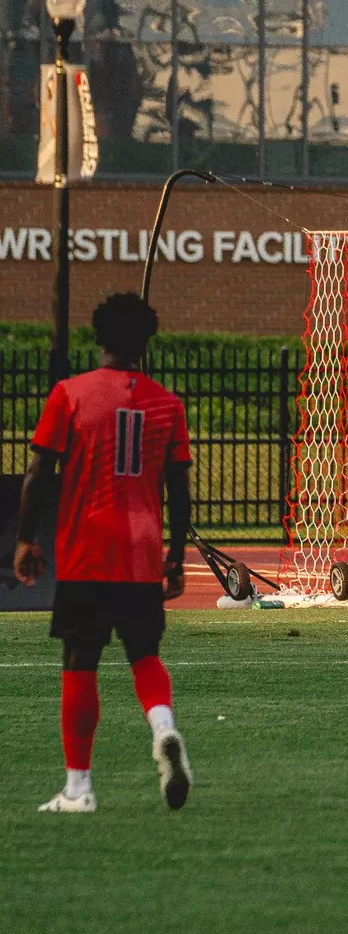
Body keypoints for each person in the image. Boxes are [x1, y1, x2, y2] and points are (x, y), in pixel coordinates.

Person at [13, 292, 194, 813]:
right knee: (144, 654)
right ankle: (163, 728)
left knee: (80, 661)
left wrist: (26, 539)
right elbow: (179, 489)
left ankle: (78, 788)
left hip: (86, 551)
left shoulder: (71, 393)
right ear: (146, 342)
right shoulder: (167, 403)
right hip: (140, 552)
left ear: (98, 337)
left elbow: (36, 472)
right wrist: (176, 555)